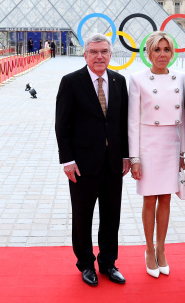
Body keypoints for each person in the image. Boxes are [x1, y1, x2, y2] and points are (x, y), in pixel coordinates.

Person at [55, 33, 130, 287]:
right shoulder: (71, 82)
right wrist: (67, 160)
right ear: (85, 54)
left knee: (112, 216)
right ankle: (86, 264)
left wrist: (126, 156)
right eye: (94, 52)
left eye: (104, 52)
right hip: (82, 165)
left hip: (112, 164)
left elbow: (122, 123)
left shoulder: (119, 81)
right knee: (82, 216)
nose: (100, 56)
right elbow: (61, 125)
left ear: (111, 54)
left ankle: (108, 262)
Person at [128, 31, 185, 278]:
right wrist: (134, 158)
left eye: (166, 50)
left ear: (172, 53)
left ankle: (162, 248)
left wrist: (183, 151)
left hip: (170, 144)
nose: (162, 54)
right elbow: (132, 121)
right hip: (148, 144)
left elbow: (182, 118)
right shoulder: (137, 78)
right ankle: (149, 249)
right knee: (150, 199)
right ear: (148, 52)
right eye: (157, 50)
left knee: (166, 198)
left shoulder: (181, 77)